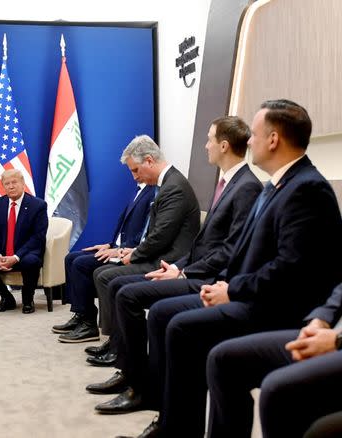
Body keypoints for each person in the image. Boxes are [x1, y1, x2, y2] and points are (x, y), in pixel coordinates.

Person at [122, 100, 342, 438]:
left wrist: (231, 289)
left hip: (274, 306)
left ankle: (176, 429)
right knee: (170, 319)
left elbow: (289, 267)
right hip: (246, 292)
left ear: (273, 139)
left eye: (254, 135)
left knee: (182, 327)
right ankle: (175, 424)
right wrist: (222, 284)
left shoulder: (306, 188)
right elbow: (243, 251)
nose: (248, 141)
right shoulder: (277, 185)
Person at [88, 116, 262, 412]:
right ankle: (132, 375)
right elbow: (202, 243)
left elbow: (231, 249)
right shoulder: (227, 182)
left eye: (209, 139)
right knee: (120, 287)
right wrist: (179, 266)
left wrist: (182, 270)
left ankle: (140, 384)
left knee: (125, 291)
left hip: (211, 277)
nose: (205, 145)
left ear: (223, 145)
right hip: (192, 267)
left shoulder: (245, 186)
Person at [88, 135, 201, 367]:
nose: (135, 176)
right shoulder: (167, 183)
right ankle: (116, 342)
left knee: (108, 276)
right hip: (159, 254)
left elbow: (160, 236)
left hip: (169, 261)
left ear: (149, 160)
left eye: (136, 170)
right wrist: (130, 251)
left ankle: (121, 347)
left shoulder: (174, 187)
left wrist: (133, 255)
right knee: (104, 273)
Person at [206, 282, 342, 438]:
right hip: (333, 334)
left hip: (336, 340)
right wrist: (321, 319)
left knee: (277, 390)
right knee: (224, 360)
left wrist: (338, 340)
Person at [52, 176, 156, 342]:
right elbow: (125, 228)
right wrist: (109, 245)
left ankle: (88, 324)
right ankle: (81, 314)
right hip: (115, 247)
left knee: (81, 264)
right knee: (71, 258)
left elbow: (144, 233)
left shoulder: (153, 193)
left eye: (135, 169)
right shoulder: (139, 190)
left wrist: (119, 250)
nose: (133, 174)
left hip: (128, 252)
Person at [0, 169, 49, 314]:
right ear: (3, 186)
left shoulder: (38, 205)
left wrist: (15, 257)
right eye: (7, 184)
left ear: (23, 184)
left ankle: (27, 299)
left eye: (14, 182)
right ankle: (6, 297)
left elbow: (38, 237)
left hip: (25, 254)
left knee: (31, 262)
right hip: (2, 252)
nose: (11, 186)